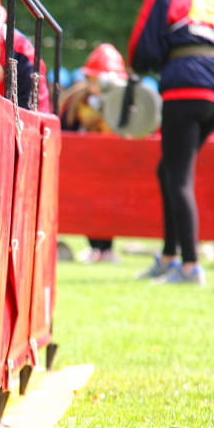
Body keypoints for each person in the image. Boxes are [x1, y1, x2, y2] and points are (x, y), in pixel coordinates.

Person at [129, 0, 214, 285]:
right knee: (169, 170)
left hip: (184, 89)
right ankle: (168, 256)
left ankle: (189, 267)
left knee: (178, 176)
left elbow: (143, 46)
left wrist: (141, 67)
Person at [59, 43, 128, 264]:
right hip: (84, 168)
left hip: (113, 169)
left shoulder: (126, 104)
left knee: (110, 206)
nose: (97, 86)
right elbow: (65, 132)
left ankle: (107, 249)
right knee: (87, 204)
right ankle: (94, 248)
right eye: (94, 81)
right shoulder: (76, 101)